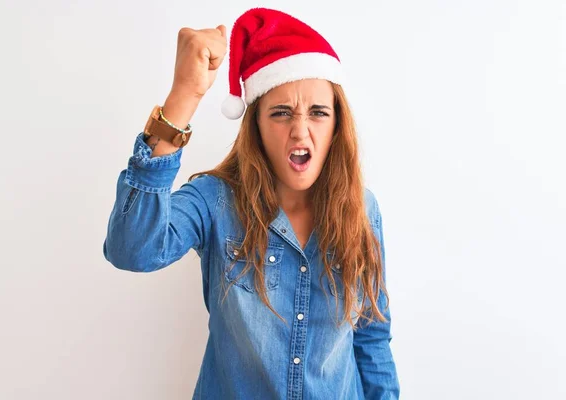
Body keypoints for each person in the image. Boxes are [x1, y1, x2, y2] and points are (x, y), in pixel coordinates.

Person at [103, 7, 400, 400]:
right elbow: (132, 250)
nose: (300, 130)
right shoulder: (214, 200)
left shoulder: (363, 209)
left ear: (336, 126)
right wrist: (184, 96)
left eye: (318, 113)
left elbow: (371, 338)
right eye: (280, 113)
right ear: (256, 126)